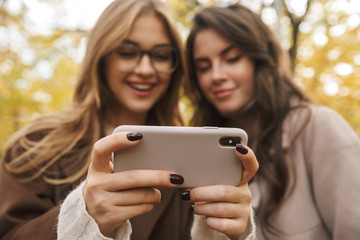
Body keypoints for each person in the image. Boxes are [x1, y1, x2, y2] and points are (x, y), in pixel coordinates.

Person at [0, 1, 258, 239]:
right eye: (127, 52)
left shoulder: (190, 151)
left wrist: (233, 229)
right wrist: (82, 215)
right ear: (101, 58)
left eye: (160, 55)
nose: (145, 69)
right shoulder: (36, 145)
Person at [185, 3, 360, 240]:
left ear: (261, 61)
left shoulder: (317, 125)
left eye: (232, 58)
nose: (216, 75)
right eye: (203, 67)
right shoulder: (204, 148)